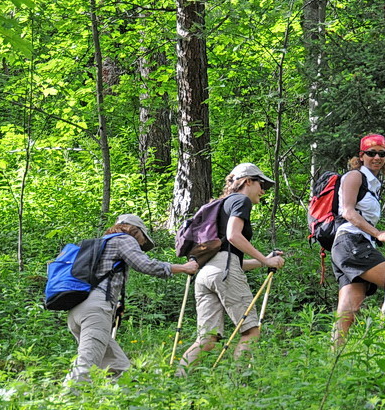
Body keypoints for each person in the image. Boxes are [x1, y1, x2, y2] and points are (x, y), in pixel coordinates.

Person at [177, 163, 286, 375]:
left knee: (207, 338)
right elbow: (234, 236)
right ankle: (236, 385)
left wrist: (264, 261)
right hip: (223, 271)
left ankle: (177, 382)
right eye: (261, 184)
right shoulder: (241, 200)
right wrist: (265, 259)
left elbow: (231, 258)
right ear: (247, 181)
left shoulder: (220, 204)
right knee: (251, 332)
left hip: (206, 273)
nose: (263, 190)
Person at [65, 214, 198, 384]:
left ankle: (121, 404)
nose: (143, 244)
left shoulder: (103, 244)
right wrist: (183, 268)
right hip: (95, 311)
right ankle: (61, 404)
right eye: (143, 238)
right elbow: (146, 265)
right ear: (135, 230)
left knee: (119, 368)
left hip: (78, 308)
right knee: (86, 366)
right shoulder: (123, 239)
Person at [331, 134, 385, 348]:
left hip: (352, 244)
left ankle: (334, 359)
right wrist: (378, 234)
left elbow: (371, 226)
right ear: (361, 155)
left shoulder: (374, 184)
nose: (377, 157)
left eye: (381, 153)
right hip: (351, 243)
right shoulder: (355, 176)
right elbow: (348, 212)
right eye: (371, 153)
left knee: (349, 309)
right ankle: (381, 343)